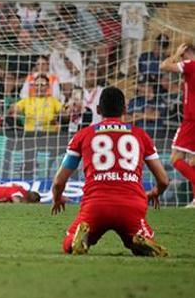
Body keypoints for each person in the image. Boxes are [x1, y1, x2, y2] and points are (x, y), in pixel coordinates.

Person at [52, 87, 169, 257]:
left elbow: (58, 182)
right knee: (139, 240)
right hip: (132, 206)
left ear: (98, 110)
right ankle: (139, 240)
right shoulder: (141, 136)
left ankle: (80, 238)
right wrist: (155, 192)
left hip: (96, 205)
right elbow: (164, 180)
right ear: (125, 110)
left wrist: (57, 197)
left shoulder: (83, 135)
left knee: (68, 242)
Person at [160, 43, 195, 208]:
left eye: (184, 54)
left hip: (191, 120)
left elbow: (165, 66)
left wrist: (176, 53)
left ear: (188, 52)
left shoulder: (191, 64)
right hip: (191, 119)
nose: (181, 58)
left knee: (175, 159)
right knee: (192, 162)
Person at [117, 0, 148, 77]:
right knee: (125, 53)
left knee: (137, 53)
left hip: (138, 32)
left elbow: (145, 17)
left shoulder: (141, 2)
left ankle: (136, 70)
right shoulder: (124, 1)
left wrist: (146, 30)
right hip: (126, 31)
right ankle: (123, 71)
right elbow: (120, 15)